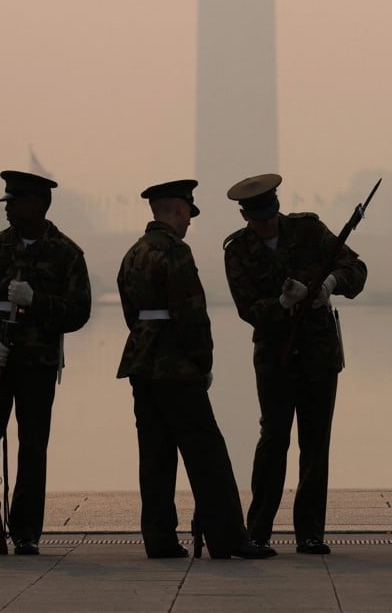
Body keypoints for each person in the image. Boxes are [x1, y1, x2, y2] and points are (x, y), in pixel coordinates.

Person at [116, 179, 275, 560]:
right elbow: (191, 315)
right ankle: (228, 538)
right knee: (207, 454)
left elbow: (129, 313)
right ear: (178, 210)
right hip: (177, 367)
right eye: (188, 213)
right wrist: (202, 363)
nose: (189, 222)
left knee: (155, 455)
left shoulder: (133, 254)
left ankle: (159, 538)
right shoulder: (176, 253)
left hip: (141, 363)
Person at [222, 173, 367, 555]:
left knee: (316, 442)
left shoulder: (308, 230)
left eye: (271, 213)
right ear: (245, 215)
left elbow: (356, 270)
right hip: (275, 356)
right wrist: (282, 304)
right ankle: (258, 530)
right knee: (273, 440)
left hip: (319, 353)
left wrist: (328, 286)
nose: (268, 222)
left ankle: (310, 532)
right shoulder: (237, 251)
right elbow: (248, 308)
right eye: (259, 217)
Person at [0, 170, 91, 556]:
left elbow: (79, 312)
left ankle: (26, 530)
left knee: (32, 446)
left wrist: (38, 301)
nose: (8, 208)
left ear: (39, 204)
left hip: (37, 362)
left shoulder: (66, 252)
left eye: (15, 201)